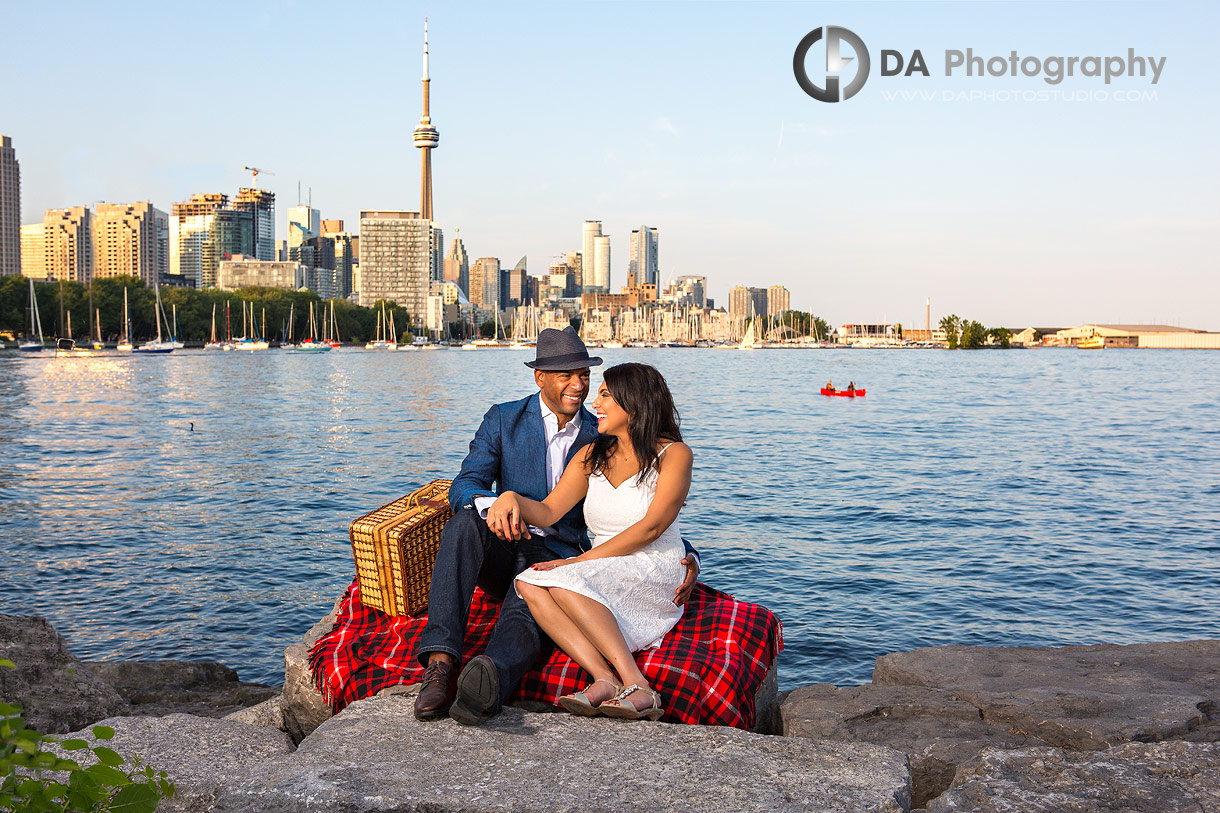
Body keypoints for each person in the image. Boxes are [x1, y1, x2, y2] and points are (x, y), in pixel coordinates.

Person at [412, 327, 699, 725]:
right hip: (503, 539)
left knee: (528, 601)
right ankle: (441, 665)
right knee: (462, 524)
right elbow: (470, 486)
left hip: (561, 553)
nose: (580, 387)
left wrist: (689, 556)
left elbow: (652, 521)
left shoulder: (600, 433)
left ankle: (490, 676)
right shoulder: (505, 419)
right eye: (567, 375)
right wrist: (500, 503)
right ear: (539, 377)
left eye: (585, 376)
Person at [502, 362, 691, 720]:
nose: (595, 404)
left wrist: (576, 562)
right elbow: (546, 512)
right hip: (606, 561)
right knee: (529, 582)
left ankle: (640, 686)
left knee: (564, 579)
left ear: (633, 405)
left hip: (654, 562)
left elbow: (652, 528)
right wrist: (510, 498)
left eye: (605, 395)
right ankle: (604, 677)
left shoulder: (674, 454)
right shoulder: (592, 455)